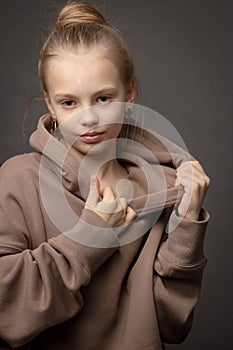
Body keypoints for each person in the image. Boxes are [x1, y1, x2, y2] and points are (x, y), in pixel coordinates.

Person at [0, 2, 210, 349]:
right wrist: (90, 237)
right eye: (69, 102)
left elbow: (170, 325)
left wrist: (188, 221)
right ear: (50, 105)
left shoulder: (163, 187)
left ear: (129, 94)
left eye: (103, 98)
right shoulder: (17, 181)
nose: (88, 118)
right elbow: (7, 314)